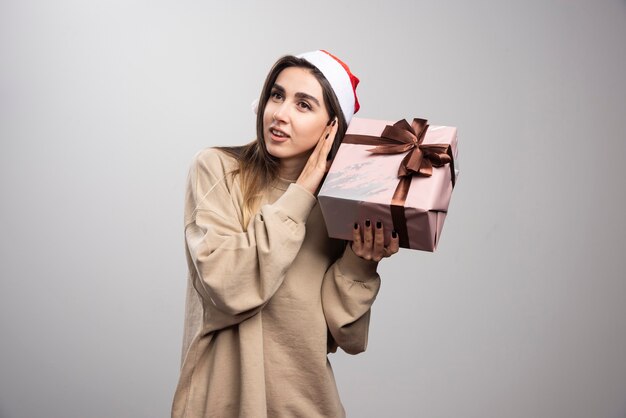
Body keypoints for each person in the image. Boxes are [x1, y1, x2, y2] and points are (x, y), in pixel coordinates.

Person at [171, 50, 399, 418]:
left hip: (305, 405)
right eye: (276, 95)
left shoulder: (339, 205)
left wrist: (361, 264)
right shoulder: (218, 170)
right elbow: (226, 286)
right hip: (220, 403)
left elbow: (347, 338)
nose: (279, 113)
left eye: (303, 104)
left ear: (332, 127)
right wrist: (303, 192)